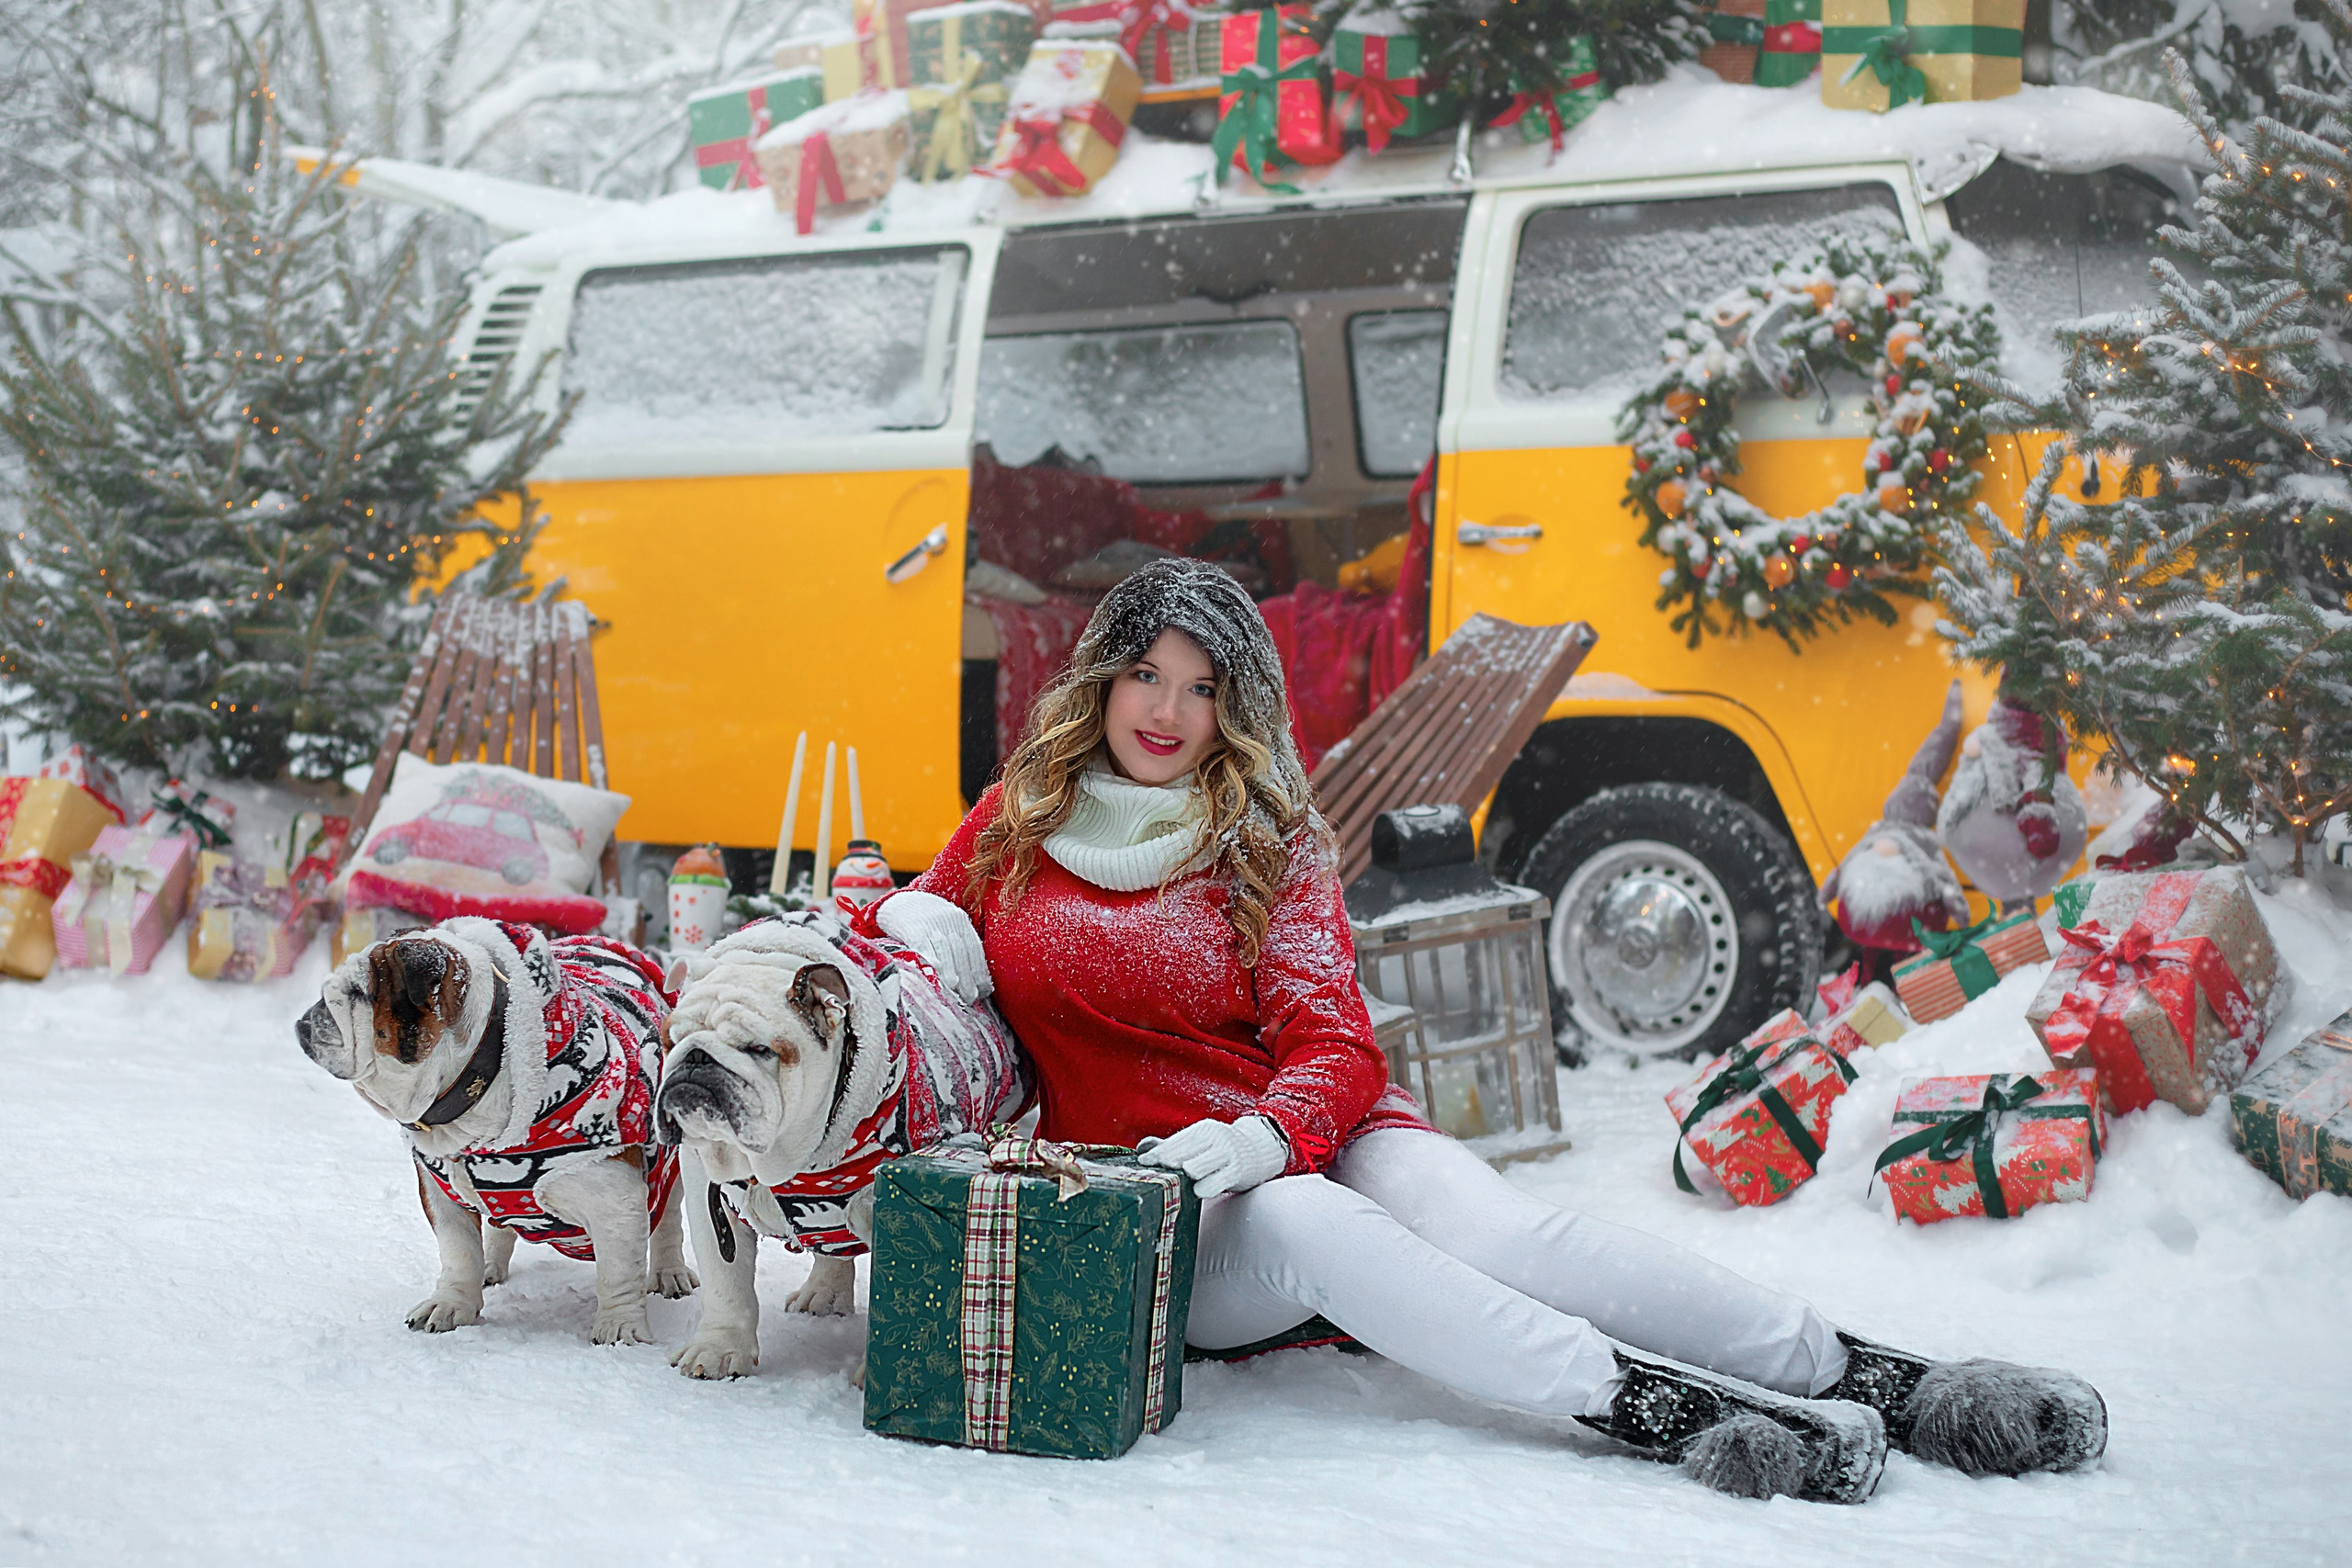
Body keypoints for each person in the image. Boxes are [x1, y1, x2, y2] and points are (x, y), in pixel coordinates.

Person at [860, 558, 2104, 1503]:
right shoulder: (1016, 821)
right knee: (1313, 1224)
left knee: (1504, 1232)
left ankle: (1863, 1371)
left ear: (1237, 708)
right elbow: (873, 943)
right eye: (1147, 675)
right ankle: (1656, 1408)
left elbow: (1338, 1048)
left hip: (1296, 1137)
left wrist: (1260, 1138)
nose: (1169, 711)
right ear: (1102, 678)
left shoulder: (1266, 841)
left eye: (1203, 687)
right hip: (1150, 1215)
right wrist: (912, 922)